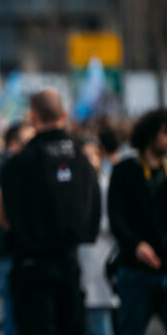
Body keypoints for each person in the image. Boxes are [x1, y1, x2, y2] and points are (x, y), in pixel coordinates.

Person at [0, 88, 101, 335]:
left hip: (32, 268)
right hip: (70, 265)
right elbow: (93, 207)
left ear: (33, 116)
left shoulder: (18, 163)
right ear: (64, 114)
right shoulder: (82, 160)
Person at [108, 109, 167, 335]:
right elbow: (116, 218)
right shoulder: (124, 171)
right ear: (151, 134)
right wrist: (136, 246)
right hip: (134, 272)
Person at [0, 122, 34, 335]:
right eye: (28, 141)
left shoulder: (5, 164)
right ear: (14, 144)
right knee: (13, 311)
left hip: (9, 249)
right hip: (6, 249)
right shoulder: (4, 166)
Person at [77, 138, 118, 335]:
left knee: (100, 322)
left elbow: (111, 223)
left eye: (91, 156)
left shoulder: (106, 185)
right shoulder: (76, 187)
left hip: (100, 259)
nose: (88, 161)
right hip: (83, 263)